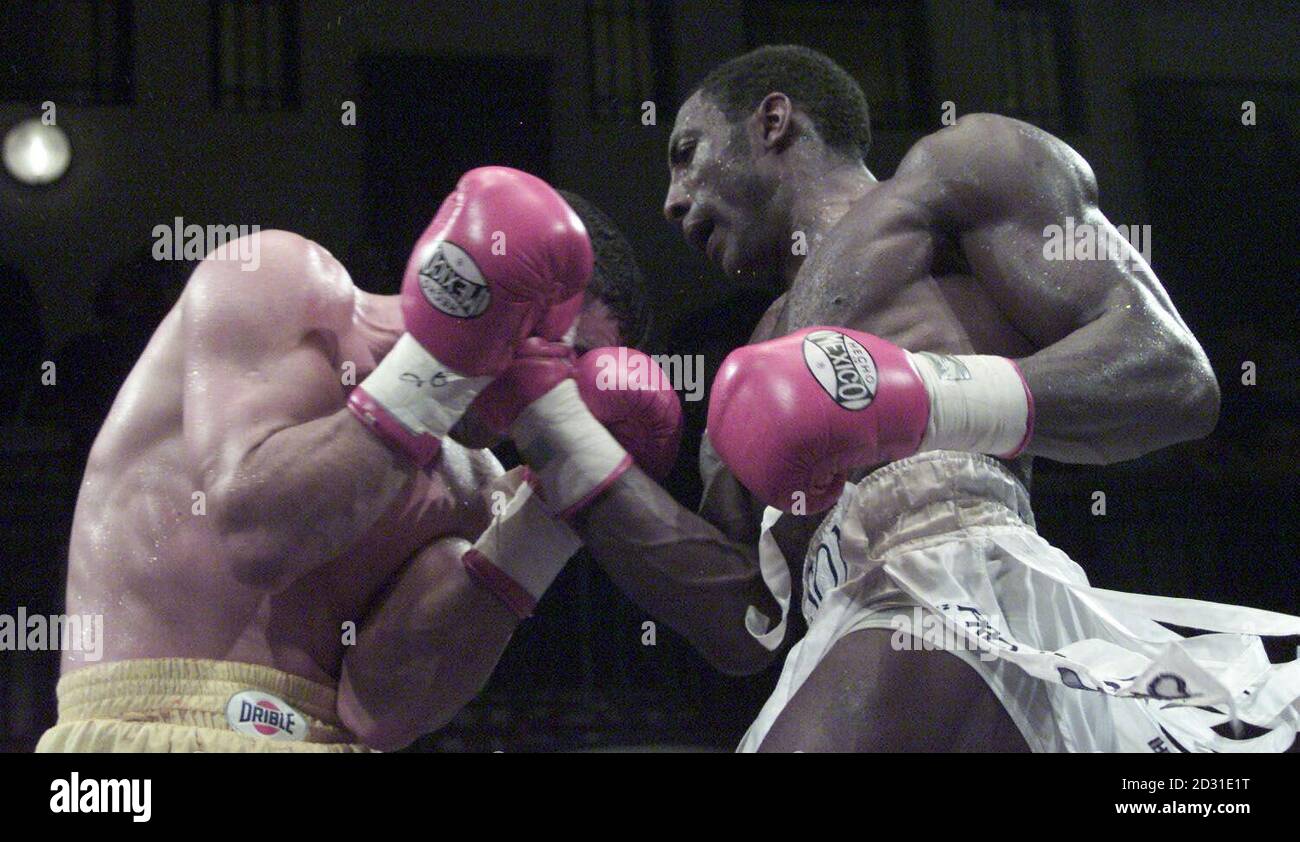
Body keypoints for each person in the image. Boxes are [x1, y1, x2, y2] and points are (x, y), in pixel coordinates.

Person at [503, 46, 1300, 751]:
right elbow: (744, 627)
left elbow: (1172, 374)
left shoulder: (962, 168)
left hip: (962, 588)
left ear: (772, 120)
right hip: (838, 634)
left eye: (687, 154)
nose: (673, 201)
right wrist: (569, 442)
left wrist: (920, 396)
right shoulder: (747, 371)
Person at [36, 167, 681, 752]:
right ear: (504, 293)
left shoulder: (483, 491)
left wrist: (547, 524)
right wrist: (450, 360)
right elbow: (257, 534)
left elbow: (381, 715)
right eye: (561, 350)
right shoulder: (284, 284)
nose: (554, 394)